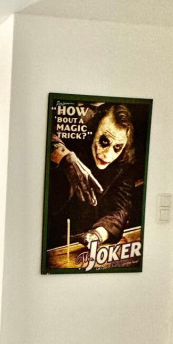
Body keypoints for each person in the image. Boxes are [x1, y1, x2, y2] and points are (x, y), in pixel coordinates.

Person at [47, 103, 138, 249]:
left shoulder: (124, 165)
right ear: (94, 130)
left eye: (117, 147)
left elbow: (121, 210)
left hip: (80, 243)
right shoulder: (76, 134)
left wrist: (97, 235)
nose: (107, 154)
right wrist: (63, 157)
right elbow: (46, 134)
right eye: (104, 141)